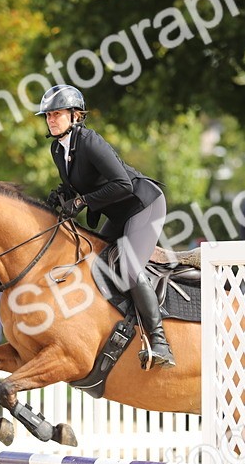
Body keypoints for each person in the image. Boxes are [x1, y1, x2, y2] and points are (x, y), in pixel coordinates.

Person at [36, 84, 175, 369]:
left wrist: (83, 201)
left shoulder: (89, 141)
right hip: (119, 211)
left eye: (57, 113)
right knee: (95, 263)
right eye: (48, 115)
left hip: (142, 205)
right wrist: (63, 194)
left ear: (75, 116)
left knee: (129, 266)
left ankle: (160, 341)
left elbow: (122, 184)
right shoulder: (57, 148)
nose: (51, 119)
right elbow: (82, 181)